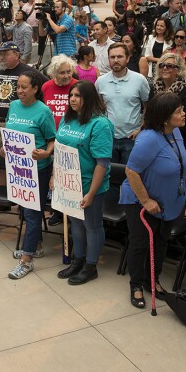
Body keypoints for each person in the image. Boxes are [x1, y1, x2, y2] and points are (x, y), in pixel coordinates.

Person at [122, 92, 186, 308]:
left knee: (161, 242)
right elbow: (131, 171)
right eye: (179, 111)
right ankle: (136, 285)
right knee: (141, 243)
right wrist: (146, 200)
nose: (184, 113)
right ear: (165, 117)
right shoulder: (149, 138)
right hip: (140, 201)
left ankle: (153, 280)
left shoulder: (175, 132)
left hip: (168, 201)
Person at [49, 80, 114, 285]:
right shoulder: (68, 120)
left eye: (78, 96)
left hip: (90, 185)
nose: (73, 99)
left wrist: (92, 193)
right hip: (69, 184)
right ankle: (78, 260)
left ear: (90, 98)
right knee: (76, 223)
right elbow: (59, 151)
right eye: (71, 96)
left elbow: (102, 163)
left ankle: (91, 266)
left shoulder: (100, 124)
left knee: (92, 225)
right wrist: (54, 176)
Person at [5, 70, 56, 280]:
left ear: (35, 89)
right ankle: (36, 245)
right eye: (18, 87)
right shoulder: (14, 106)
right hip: (17, 169)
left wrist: (46, 152)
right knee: (24, 210)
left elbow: (52, 140)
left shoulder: (44, 112)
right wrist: (4, 147)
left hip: (38, 170)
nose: (20, 90)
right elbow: (10, 132)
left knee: (33, 214)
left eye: (24, 87)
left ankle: (26, 260)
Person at [0, 41, 33, 185]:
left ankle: (19, 196)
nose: (1, 57)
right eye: (0, 54)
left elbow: (43, 88)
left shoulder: (28, 71)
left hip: (14, 124)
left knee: (16, 161)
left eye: (5, 54)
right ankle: (3, 195)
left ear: (17, 55)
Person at [97, 43, 149, 163]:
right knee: (111, 175)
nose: (116, 60)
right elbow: (99, 106)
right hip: (109, 137)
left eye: (120, 57)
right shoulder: (101, 81)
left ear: (128, 58)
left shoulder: (140, 80)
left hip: (132, 138)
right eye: (112, 57)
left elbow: (147, 107)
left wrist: (140, 129)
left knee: (130, 176)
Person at [150, 52, 186, 152]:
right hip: (154, 138)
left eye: (169, 66)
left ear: (178, 70)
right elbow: (148, 115)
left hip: (176, 140)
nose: (165, 68)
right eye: (162, 65)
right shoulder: (154, 87)